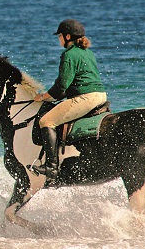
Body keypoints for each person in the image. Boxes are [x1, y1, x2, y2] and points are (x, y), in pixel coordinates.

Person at [32, 18, 107, 180]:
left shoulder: (69, 55)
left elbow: (62, 85)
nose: (58, 39)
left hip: (85, 98)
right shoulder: (88, 53)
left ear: (67, 37)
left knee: (46, 121)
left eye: (59, 36)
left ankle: (51, 167)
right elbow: (74, 84)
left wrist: (43, 96)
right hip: (100, 95)